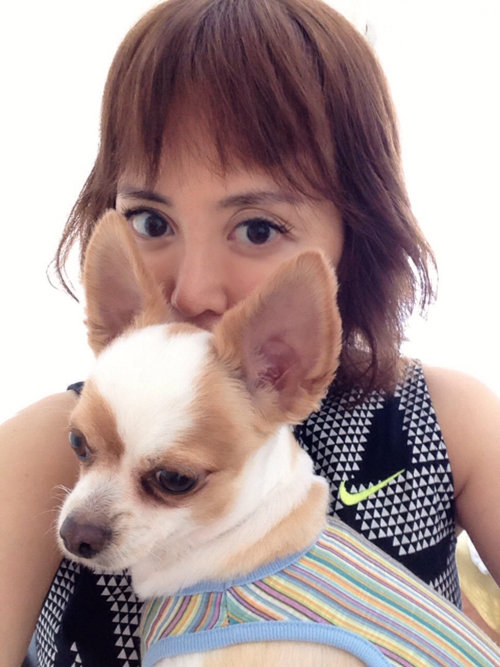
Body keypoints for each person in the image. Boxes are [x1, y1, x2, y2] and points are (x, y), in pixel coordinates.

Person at [1, 0, 499, 664]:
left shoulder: (440, 419)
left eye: (257, 228)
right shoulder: (40, 447)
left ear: (357, 231)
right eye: (151, 221)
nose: (191, 290)